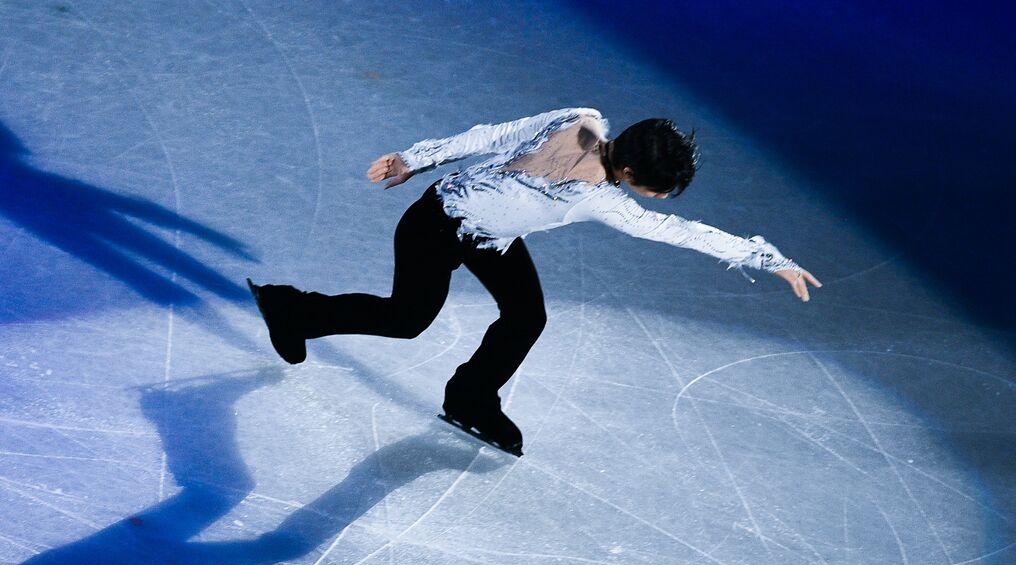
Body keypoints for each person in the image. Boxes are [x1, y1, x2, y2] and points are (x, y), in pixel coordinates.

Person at [248, 108, 821, 455]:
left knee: (526, 316)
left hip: (488, 236)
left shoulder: (583, 119)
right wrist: (416, 159)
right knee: (406, 320)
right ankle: (292, 310)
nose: (659, 200)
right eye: (657, 188)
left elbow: (488, 137)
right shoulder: (600, 193)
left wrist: (768, 259)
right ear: (628, 173)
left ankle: (471, 398)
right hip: (438, 222)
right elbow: (492, 137)